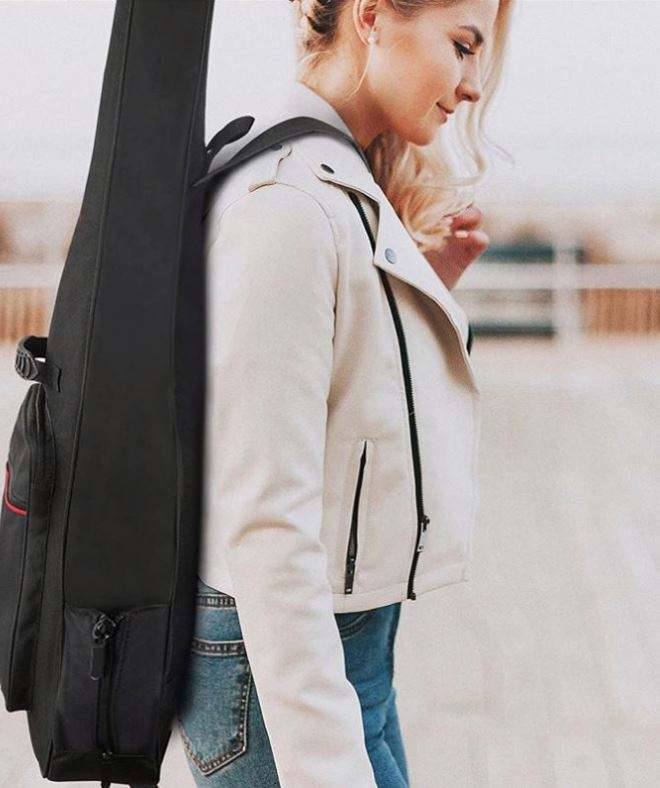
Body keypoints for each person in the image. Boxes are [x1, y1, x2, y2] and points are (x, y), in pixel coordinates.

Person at [177, 1, 514, 786]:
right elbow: (266, 519)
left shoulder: (330, 176)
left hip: (340, 651)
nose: (471, 85)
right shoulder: (288, 201)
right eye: (461, 45)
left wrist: (419, 290)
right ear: (371, 16)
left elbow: (340, 399)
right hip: (279, 668)